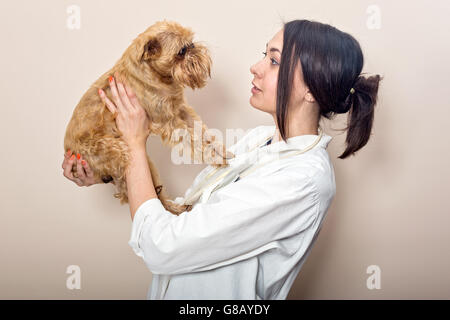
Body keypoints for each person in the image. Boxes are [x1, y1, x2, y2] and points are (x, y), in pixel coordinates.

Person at [62, 19, 382, 299]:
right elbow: (188, 222)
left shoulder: (302, 181)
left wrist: (133, 145)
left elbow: (162, 246)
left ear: (312, 88)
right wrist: (108, 170)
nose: (255, 67)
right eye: (264, 54)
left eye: (274, 61)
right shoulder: (257, 141)